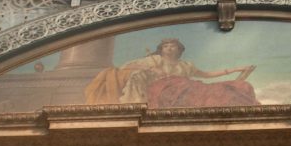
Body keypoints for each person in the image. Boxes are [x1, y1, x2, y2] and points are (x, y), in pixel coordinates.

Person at [86, 38, 257, 108]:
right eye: (166, 46)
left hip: (188, 87)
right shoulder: (153, 61)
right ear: (161, 49)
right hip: (164, 90)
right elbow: (124, 68)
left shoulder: (185, 65)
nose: (169, 48)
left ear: (179, 49)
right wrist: (149, 69)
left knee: (222, 90)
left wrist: (236, 69)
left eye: (172, 46)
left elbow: (207, 75)